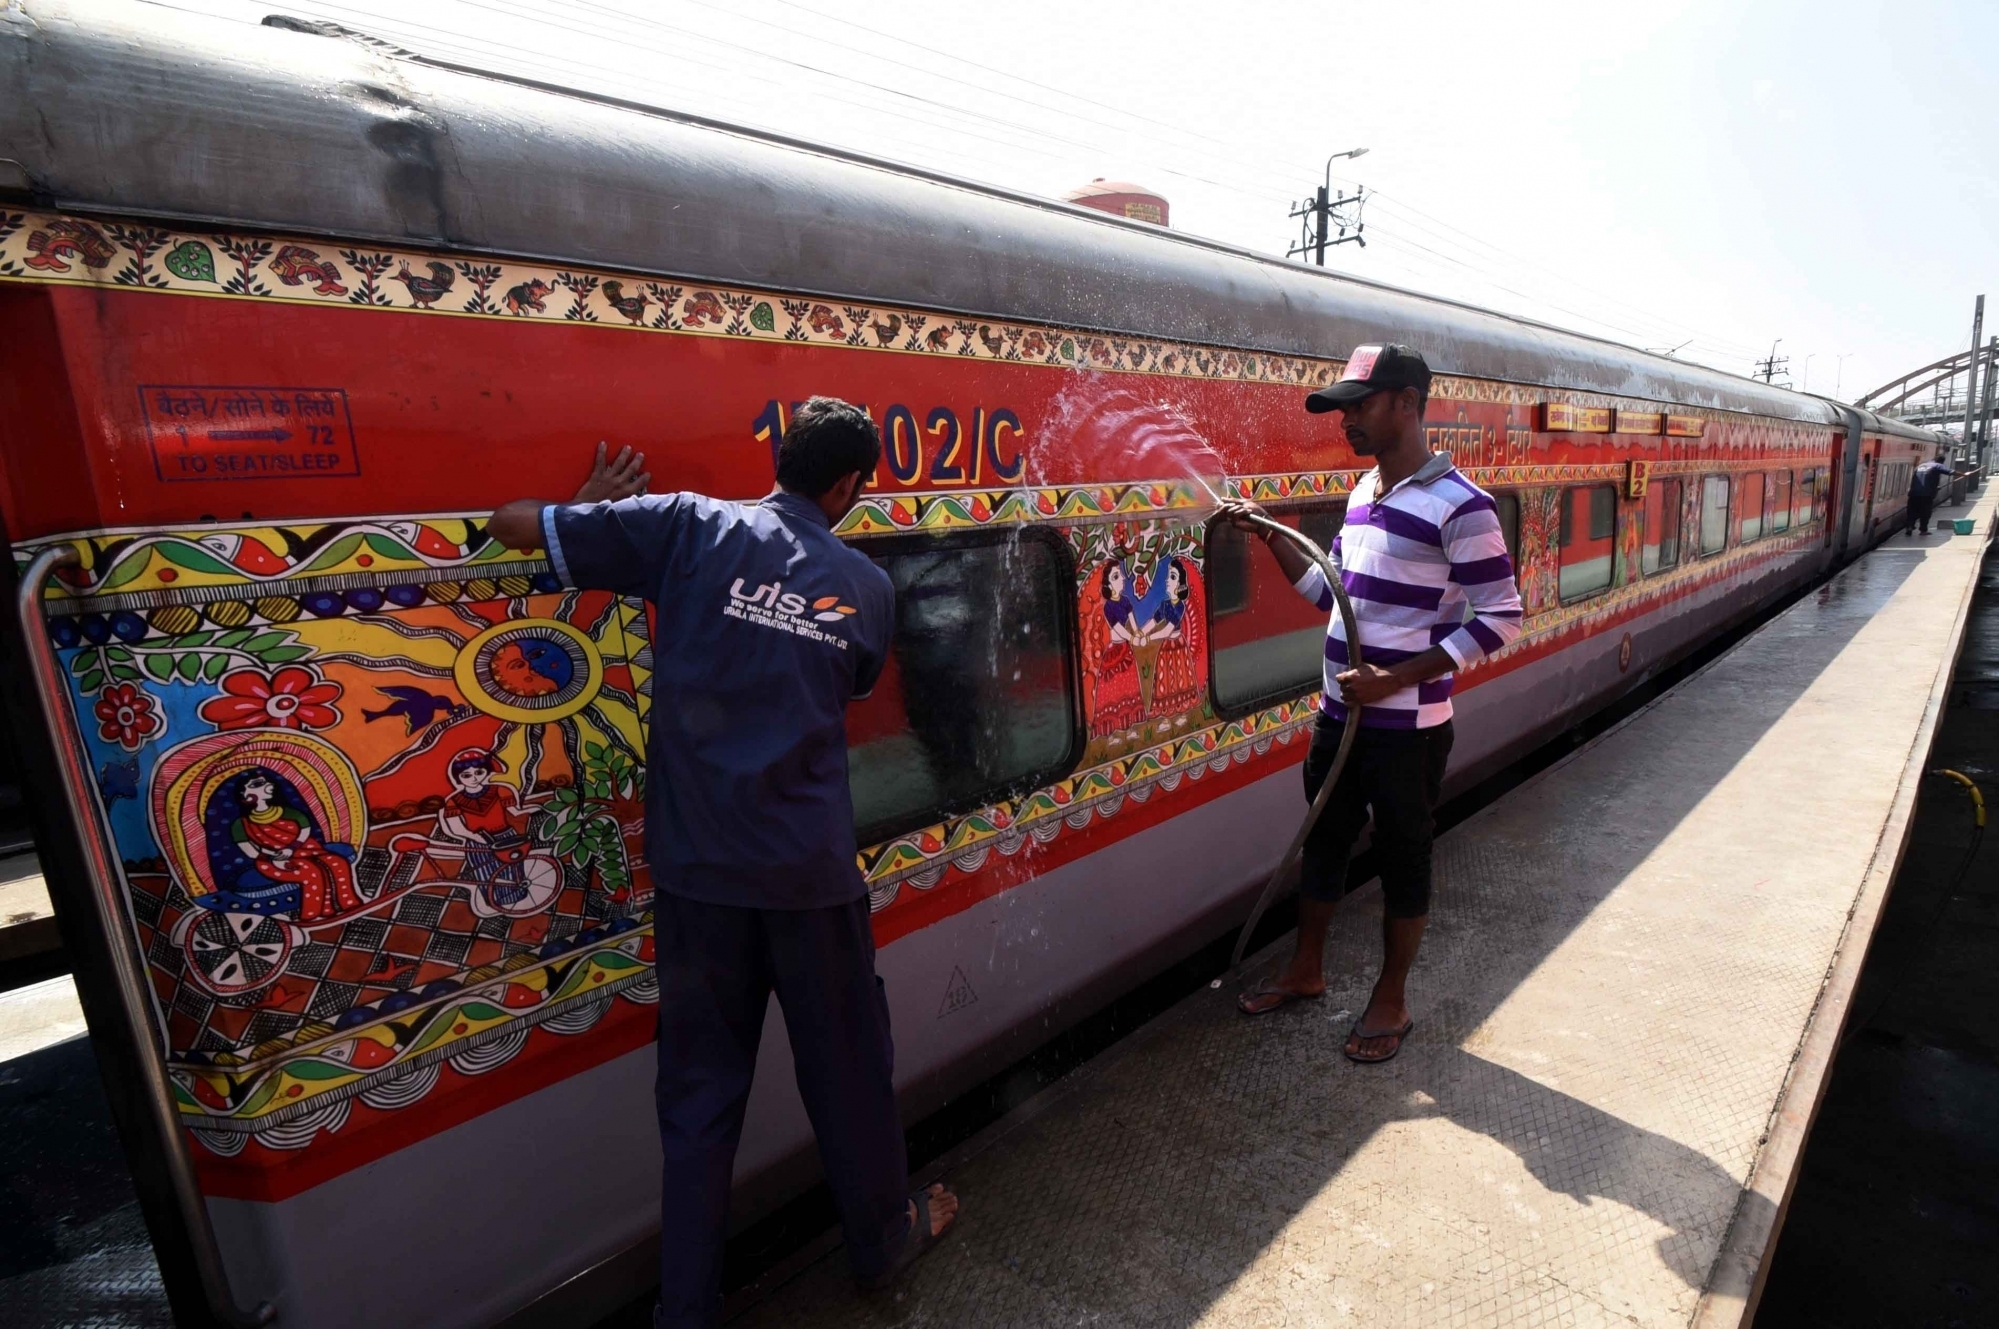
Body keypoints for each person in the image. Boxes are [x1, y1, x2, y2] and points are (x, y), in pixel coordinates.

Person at [488, 399, 959, 1328]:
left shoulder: (686, 524)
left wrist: (581, 510)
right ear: (846, 484)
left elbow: (510, 522)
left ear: (779, 461)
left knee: (699, 1102)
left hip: (697, 881)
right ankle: (882, 1241)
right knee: (849, 1077)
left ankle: (686, 1311)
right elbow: (856, 680)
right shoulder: (862, 585)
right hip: (809, 883)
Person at [1218, 344, 1522, 1064]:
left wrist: (1395, 679)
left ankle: (1391, 997)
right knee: (1323, 841)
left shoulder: (1461, 506)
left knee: (1402, 855)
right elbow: (1333, 598)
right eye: (1343, 407)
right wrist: (1268, 535)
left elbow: (1502, 616)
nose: (1346, 419)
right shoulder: (1363, 494)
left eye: (1360, 405)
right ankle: (1307, 969)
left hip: (1405, 730)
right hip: (1338, 719)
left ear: (1408, 403)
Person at [1907, 449, 1951, 535]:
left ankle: (1909, 527)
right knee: (1925, 512)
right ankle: (1923, 530)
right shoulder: (1937, 466)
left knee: (1912, 512)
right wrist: (1964, 474)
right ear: (1941, 462)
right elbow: (1951, 472)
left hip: (1913, 494)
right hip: (1926, 495)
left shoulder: (1921, 466)